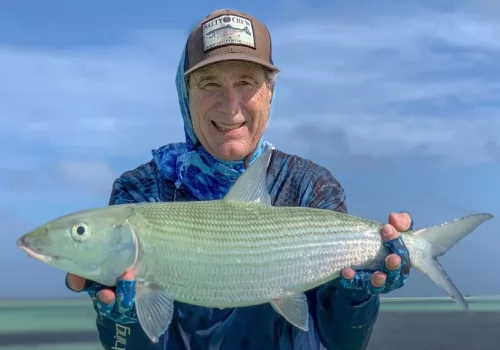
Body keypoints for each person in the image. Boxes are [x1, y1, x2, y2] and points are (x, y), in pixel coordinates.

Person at [66, 8, 414, 350]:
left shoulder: (310, 186)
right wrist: (120, 322)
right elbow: (125, 346)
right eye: (210, 83)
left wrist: (356, 300)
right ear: (184, 93)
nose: (230, 105)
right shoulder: (139, 192)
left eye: (246, 82)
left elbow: (343, 342)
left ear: (270, 93)